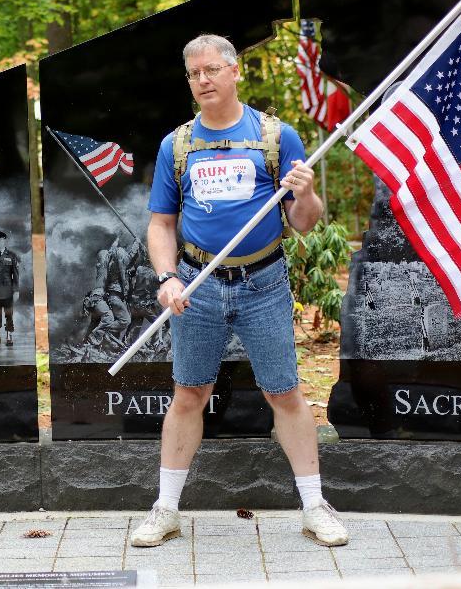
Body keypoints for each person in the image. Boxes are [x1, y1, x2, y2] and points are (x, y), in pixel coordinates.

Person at [131, 34, 348, 548]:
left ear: (234, 72)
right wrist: (168, 278)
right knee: (189, 394)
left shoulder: (277, 137)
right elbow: (161, 224)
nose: (202, 81)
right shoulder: (177, 145)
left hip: (263, 282)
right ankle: (165, 509)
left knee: (285, 393)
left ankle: (315, 506)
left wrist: (308, 192)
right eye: (193, 74)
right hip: (197, 285)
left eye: (211, 70)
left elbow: (304, 223)